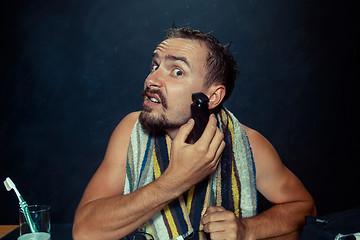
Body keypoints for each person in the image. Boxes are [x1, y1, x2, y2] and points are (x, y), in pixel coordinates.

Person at [72, 26, 316, 240]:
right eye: (155, 65)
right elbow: (85, 230)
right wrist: (175, 180)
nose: (151, 80)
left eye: (177, 71)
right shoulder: (130, 131)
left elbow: (305, 208)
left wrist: (246, 229)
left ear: (211, 97)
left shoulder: (249, 144)